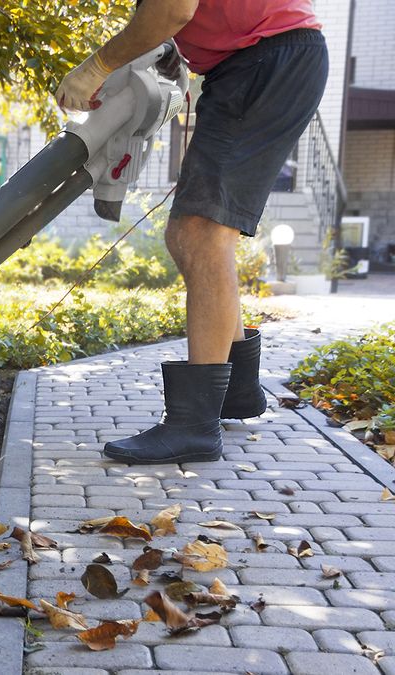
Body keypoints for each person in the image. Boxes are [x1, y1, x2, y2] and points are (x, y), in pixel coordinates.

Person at [54, 0, 328, 464]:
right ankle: (236, 390)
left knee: (200, 235)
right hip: (260, 62)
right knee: (196, 237)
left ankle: (194, 426)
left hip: (264, 60)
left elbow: (173, 9)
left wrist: (95, 67)